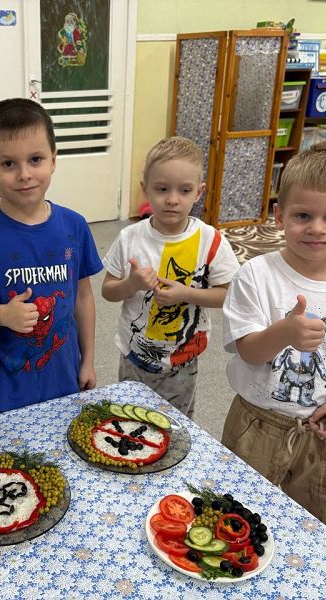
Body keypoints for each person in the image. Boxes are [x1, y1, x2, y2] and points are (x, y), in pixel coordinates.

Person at [221, 144, 326, 533]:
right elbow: (248, 351)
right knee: (235, 515)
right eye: (302, 215)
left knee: (317, 525)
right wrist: (284, 333)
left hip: (325, 435)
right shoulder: (256, 276)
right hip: (256, 423)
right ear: (279, 216)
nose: (316, 228)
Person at [0, 98, 103, 414]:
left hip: (64, 377)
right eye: (8, 164)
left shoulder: (74, 226)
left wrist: (87, 360)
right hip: (6, 385)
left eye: (35, 159)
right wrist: (1, 315)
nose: (24, 174)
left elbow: (83, 299)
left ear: (53, 160)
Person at [101, 136, 240, 418]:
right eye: (162, 189)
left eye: (184, 190)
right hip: (134, 354)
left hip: (183, 359)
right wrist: (133, 284)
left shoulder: (209, 240)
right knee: (129, 416)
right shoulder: (130, 238)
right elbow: (108, 291)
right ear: (145, 189)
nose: (173, 199)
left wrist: (185, 293)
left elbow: (229, 294)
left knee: (176, 424)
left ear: (199, 192)